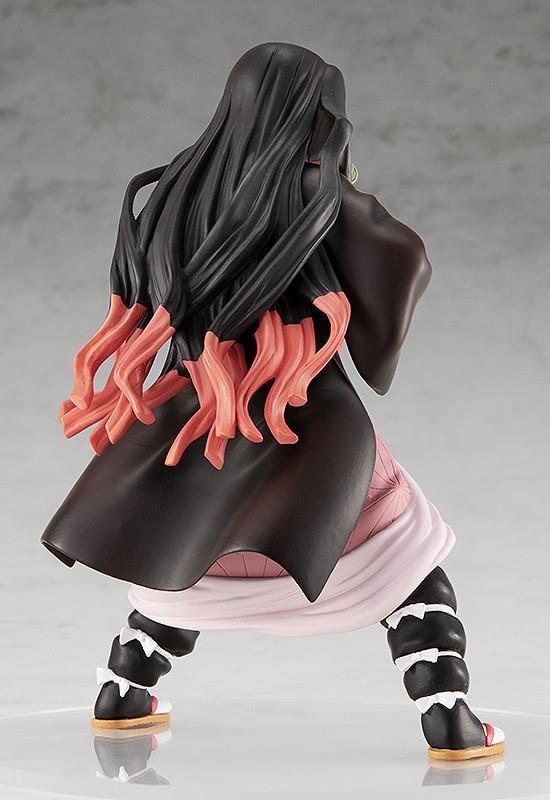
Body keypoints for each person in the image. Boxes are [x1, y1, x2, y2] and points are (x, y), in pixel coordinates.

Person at [42, 42, 504, 761]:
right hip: (304, 435)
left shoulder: (178, 191)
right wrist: (341, 190)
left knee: (185, 557)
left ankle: (122, 694)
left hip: (196, 429)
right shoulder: (316, 196)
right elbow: (402, 263)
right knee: (410, 567)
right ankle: (450, 718)